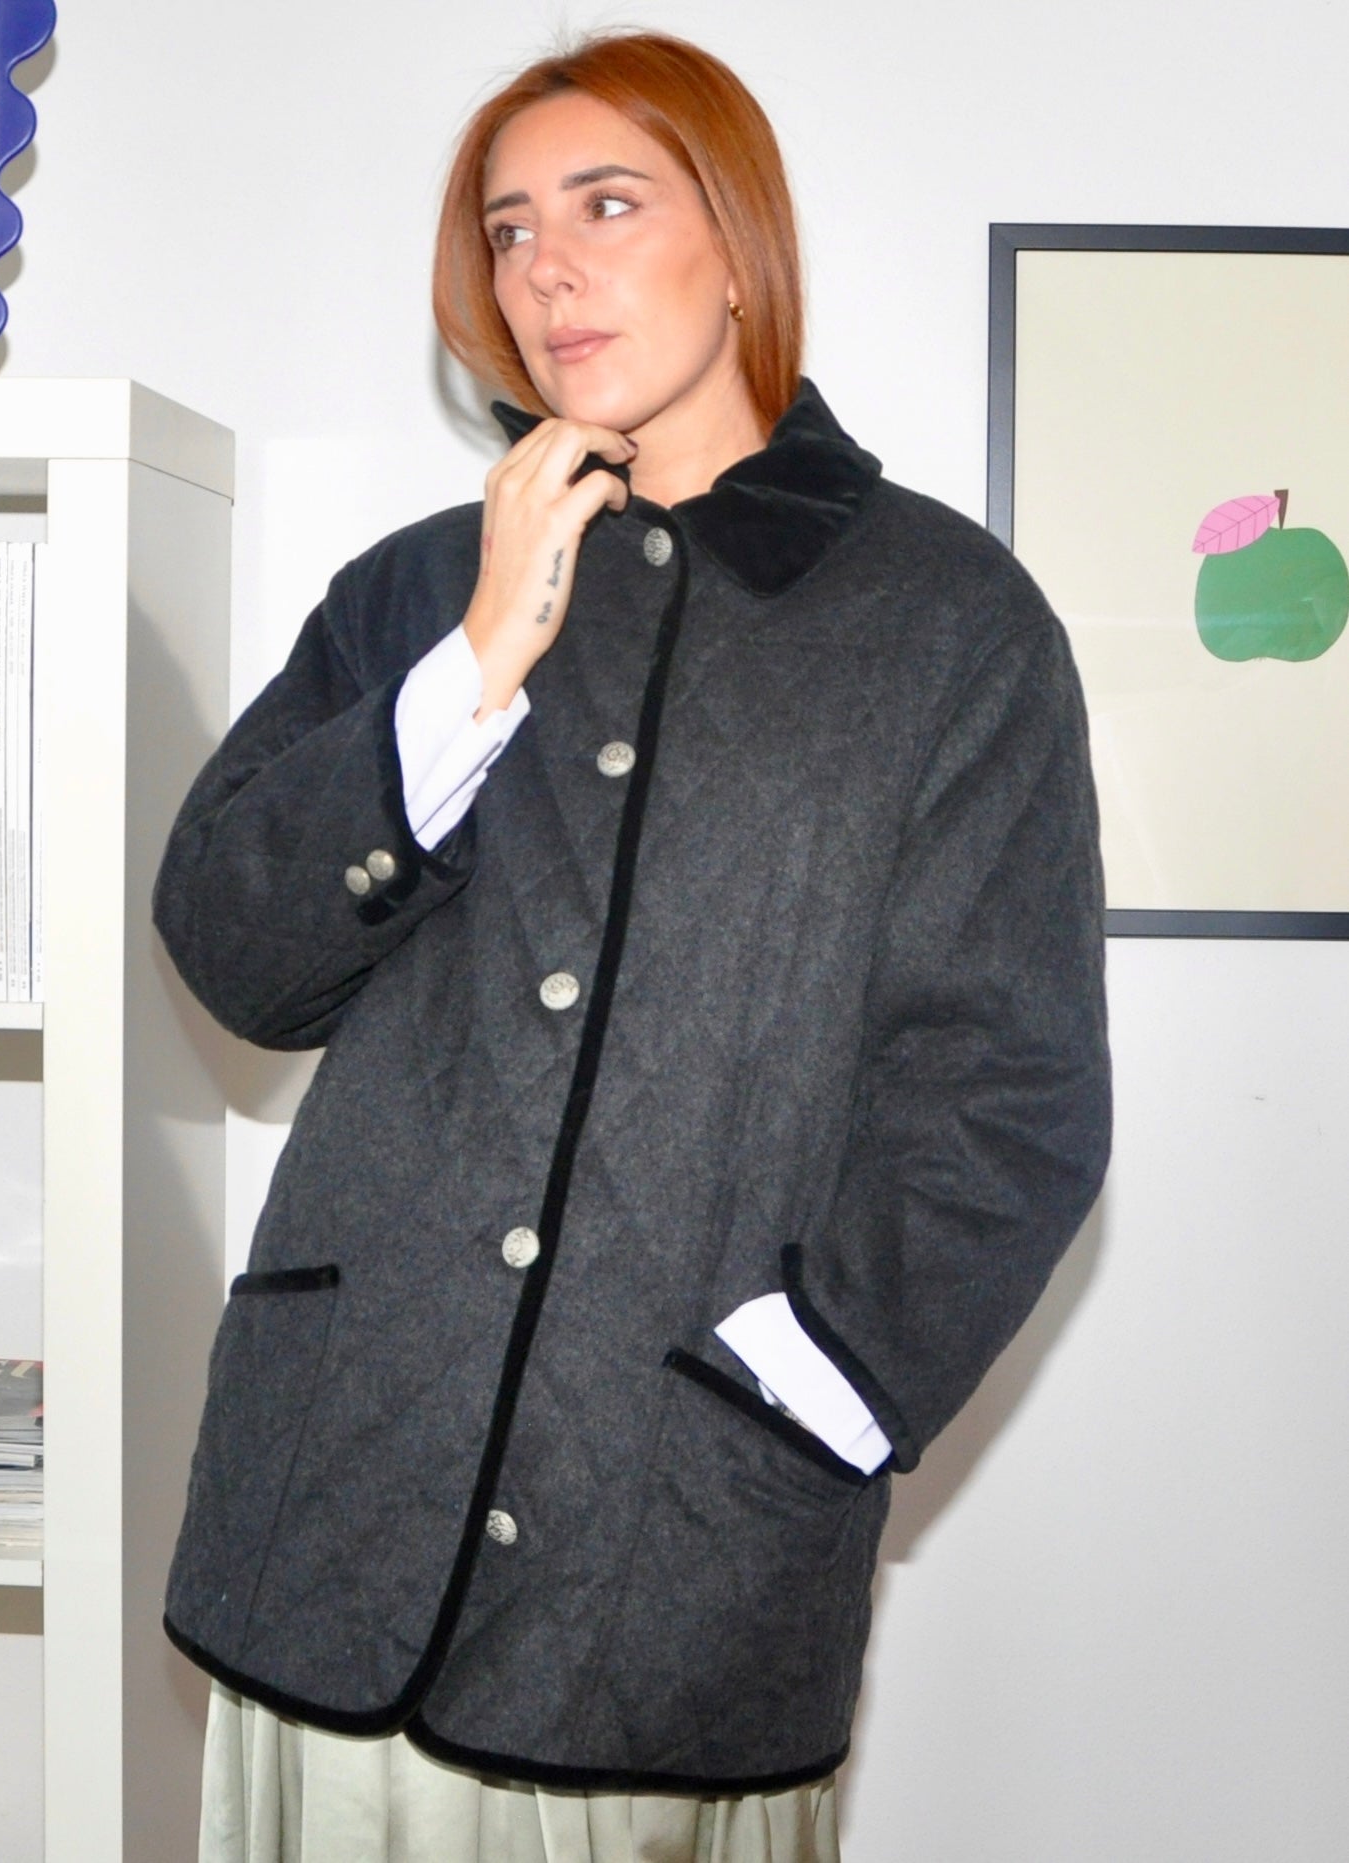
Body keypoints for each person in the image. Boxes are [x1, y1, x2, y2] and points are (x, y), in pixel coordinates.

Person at [153, 27, 1112, 1863]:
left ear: (736, 246)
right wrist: (473, 667)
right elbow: (232, 952)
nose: (546, 270)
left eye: (606, 205)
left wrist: (799, 1398)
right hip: (335, 1516)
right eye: (510, 229)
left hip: (674, 1565)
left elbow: (1005, 1095)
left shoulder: (947, 625)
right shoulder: (417, 588)